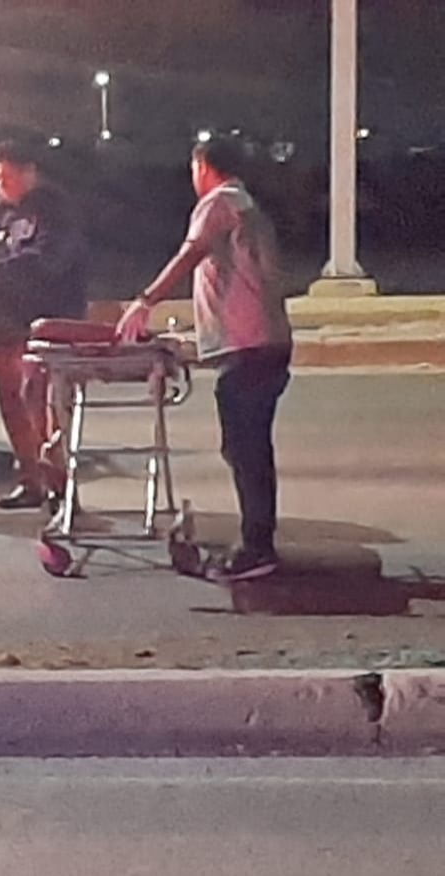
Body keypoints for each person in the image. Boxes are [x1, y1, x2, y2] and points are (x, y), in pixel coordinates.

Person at [116, 135, 292, 581]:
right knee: (250, 448)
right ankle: (259, 541)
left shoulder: (218, 202)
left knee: (245, 449)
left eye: (194, 168)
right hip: (266, 343)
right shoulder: (247, 206)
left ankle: (258, 549)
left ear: (204, 166)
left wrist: (145, 301)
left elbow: (189, 254)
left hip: (250, 347)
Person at [0, 139, 89, 509]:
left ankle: (59, 483)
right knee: (12, 403)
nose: (2, 184)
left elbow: (48, 261)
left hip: (44, 322)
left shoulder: (54, 209)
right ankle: (30, 479)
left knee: (43, 403)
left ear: (30, 171)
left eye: (9, 176)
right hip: (2, 322)